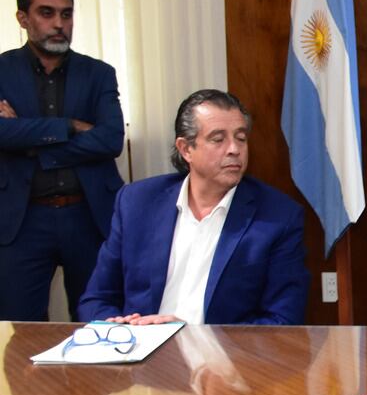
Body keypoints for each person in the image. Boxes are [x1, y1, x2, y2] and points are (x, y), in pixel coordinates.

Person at [78, 89, 308, 324]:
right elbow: (96, 299)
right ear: (186, 149)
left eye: (240, 138)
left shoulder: (278, 216)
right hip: (140, 350)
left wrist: (190, 336)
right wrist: (119, 332)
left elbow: (282, 321)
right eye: (218, 139)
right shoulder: (137, 203)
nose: (234, 149)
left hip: (219, 357)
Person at [0, 0, 125, 320]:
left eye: (67, 14)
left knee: (99, 325)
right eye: (46, 13)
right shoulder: (1, 71)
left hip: (87, 215)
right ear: (22, 18)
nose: (59, 24)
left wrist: (27, 140)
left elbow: (110, 139)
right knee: (21, 330)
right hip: (22, 219)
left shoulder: (99, 73)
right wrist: (68, 126)